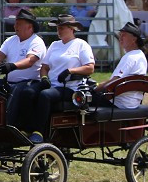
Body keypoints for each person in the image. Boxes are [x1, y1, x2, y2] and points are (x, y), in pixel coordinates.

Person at [11, 14, 95, 142]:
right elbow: (45, 66)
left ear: (71, 28)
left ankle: (39, 131)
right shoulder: (55, 45)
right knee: (27, 92)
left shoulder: (81, 45)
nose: (59, 31)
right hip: (52, 84)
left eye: (62, 28)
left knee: (45, 95)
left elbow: (90, 67)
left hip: (69, 87)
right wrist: (44, 78)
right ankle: (26, 127)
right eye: (58, 28)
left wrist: (70, 71)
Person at [0, 9, 46, 115]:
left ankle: (13, 123)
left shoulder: (37, 42)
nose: (15, 26)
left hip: (29, 82)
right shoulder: (11, 40)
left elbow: (30, 60)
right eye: (15, 23)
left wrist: (12, 66)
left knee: (19, 92)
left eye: (19, 24)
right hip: (8, 82)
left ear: (30, 27)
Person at [91, 22, 148, 109]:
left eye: (124, 35)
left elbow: (114, 81)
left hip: (119, 102)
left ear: (134, 39)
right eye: (120, 35)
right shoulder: (140, 55)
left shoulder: (130, 57)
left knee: (82, 99)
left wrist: (95, 88)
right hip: (133, 102)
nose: (120, 38)